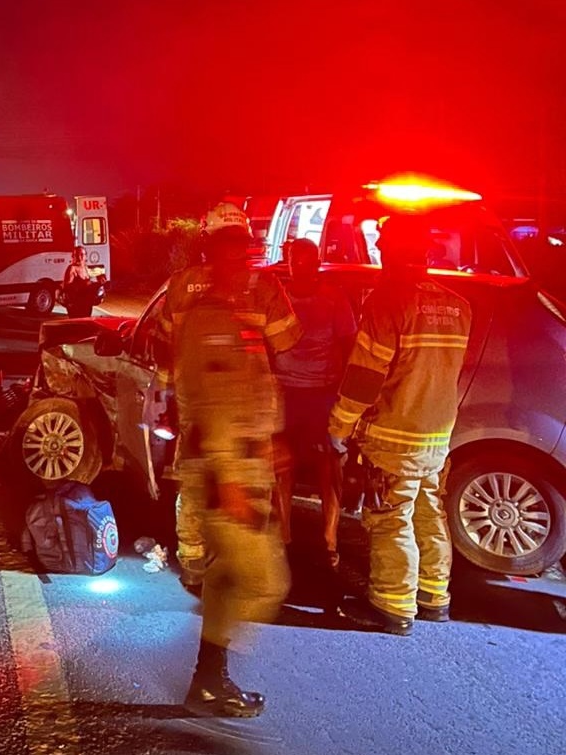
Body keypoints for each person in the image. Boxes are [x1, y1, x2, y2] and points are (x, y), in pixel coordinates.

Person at [157, 207, 303, 717]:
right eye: (233, 252)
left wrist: (266, 440)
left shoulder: (230, 306)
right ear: (215, 255)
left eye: (245, 252)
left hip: (236, 456)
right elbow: (216, 400)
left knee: (225, 573)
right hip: (226, 466)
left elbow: (239, 384)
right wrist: (230, 477)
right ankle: (211, 676)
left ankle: (210, 681)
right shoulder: (216, 316)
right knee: (264, 581)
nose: (243, 262)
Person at [328, 214, 472, 636]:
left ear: (388, 251)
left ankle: (393, 605)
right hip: (437, 435)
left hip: (395, 436)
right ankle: (433, 596)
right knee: (429, 511)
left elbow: (364, 378)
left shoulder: (388, 301)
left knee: (391, 518)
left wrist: (339, 426)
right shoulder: (458, 306)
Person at [272, 238, 357, 568]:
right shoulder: (278, 297)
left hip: (323, 395)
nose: (302, 266)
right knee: (282, 466)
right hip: (285, 393)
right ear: (289, 262)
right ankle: (284, 537)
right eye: (296, 260)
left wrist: (346, 395)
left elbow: (349, 344)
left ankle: (330, 540)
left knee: (329, 468)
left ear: (318, 262)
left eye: (309, 260)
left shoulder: (333, 298)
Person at [61, 245, 96, 318]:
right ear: (73, 256)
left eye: (82, 254)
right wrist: (83, 285)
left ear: (86, 256)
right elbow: (66, 288)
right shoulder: (72, 269)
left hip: (86, 305)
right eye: (77, 255)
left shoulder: (85, 268)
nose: (80, 257)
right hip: (76, 306)